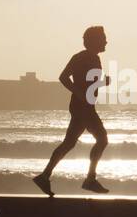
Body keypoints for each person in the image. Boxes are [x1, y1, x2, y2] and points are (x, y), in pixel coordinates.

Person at [33, 26, 111, 196]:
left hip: (85, 106)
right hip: (82, 107)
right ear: (93, 40)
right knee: (102, 139)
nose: (106, 41)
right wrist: (79, 93)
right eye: (103, 38)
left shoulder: (94, 58)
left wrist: (102, 83)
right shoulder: (81, 57)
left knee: (69, 143)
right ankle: (90, 179)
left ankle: (45, 176)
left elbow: (89, 83)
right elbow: (63, 77)